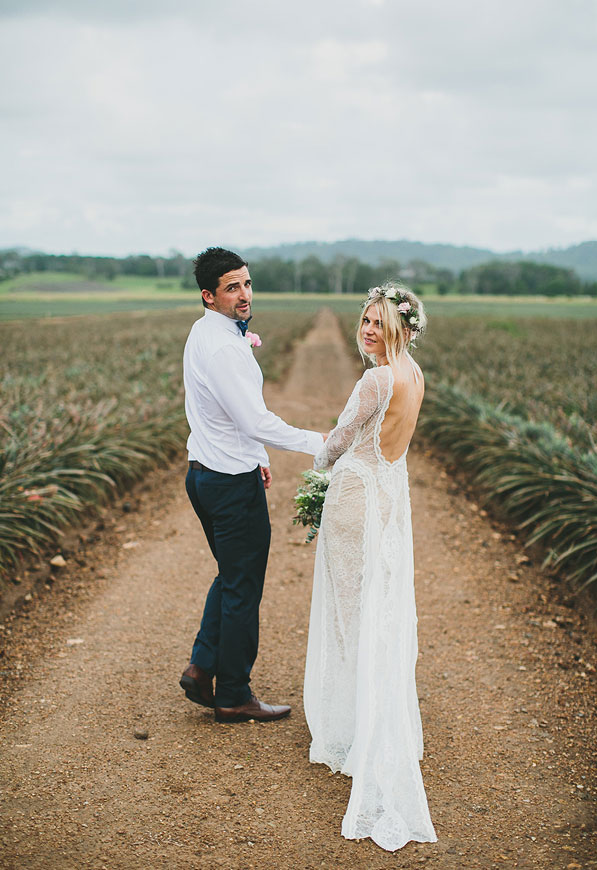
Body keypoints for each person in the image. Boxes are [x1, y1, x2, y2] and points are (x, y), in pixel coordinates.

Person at [304, 283, 437, 851]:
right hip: (387, 497)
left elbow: (338, 440)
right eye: (364, 321)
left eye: (377, 323)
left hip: (355, 495)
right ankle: (373, 719)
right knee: (376, 609)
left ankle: (357, 731)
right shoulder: (415, 376)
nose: (367, 331)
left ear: (397, 328)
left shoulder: (376, 378)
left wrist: (316, 472)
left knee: (349, 612)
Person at [181, 247, 325, 723]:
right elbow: (254, 418)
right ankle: (234, 694)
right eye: (231, 287)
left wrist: (256, 457)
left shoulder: (205, 332)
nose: (244, 295)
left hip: (205, 472)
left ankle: (203, 668)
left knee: (231, 574)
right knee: (243, 586)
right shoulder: (223, 345)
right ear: (209, 295)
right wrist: (319, 442)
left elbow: (224, 415)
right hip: (227, 483)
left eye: (246, 283)